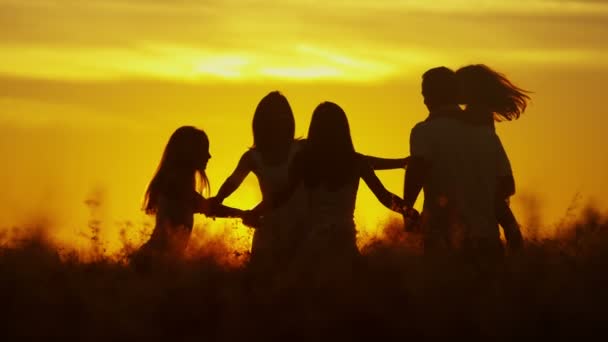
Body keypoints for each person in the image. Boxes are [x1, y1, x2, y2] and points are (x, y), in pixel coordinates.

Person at [211, 91, 407, 271]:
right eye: (274, 117)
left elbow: (352, 159)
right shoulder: (259, 157)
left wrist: (398, 163)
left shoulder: (303, 153)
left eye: (284, 116)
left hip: (303, 232)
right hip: (277, 229)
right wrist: (220, 199)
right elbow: (236, 182)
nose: (280, 121)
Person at [252, 101, 417, 280]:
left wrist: (254, 212)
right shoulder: (356, 162)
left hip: (312, 242)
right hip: (343, 238)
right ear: (344, 130)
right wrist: (410, 212)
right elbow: (384, 197)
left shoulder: (304, 161)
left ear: (314, 130)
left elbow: (281, 196)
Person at [403, 67, 511, 261]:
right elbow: (507, 185)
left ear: (431, 96)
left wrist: (407, 214)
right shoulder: (486, 134)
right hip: (488, 240)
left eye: (425, 94)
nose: (424, 100)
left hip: (444, 239)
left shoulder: (423, 132)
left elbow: (416, 173)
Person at [136, 126, 247, 261]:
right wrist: (244, 214)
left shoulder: (178, 182)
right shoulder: (175, 184)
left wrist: (241, 213)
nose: (209, 155)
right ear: (190, 152)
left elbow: (206, 206)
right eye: (204, 150)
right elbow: (208, 208)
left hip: (159, 260)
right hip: (154, 261)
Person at [456, 64, 530, 252]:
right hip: (490, 168)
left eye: (458, 84)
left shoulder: (476, 112)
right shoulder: (479, 112)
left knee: (498, 205)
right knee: (499, 207)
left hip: (484, 171)